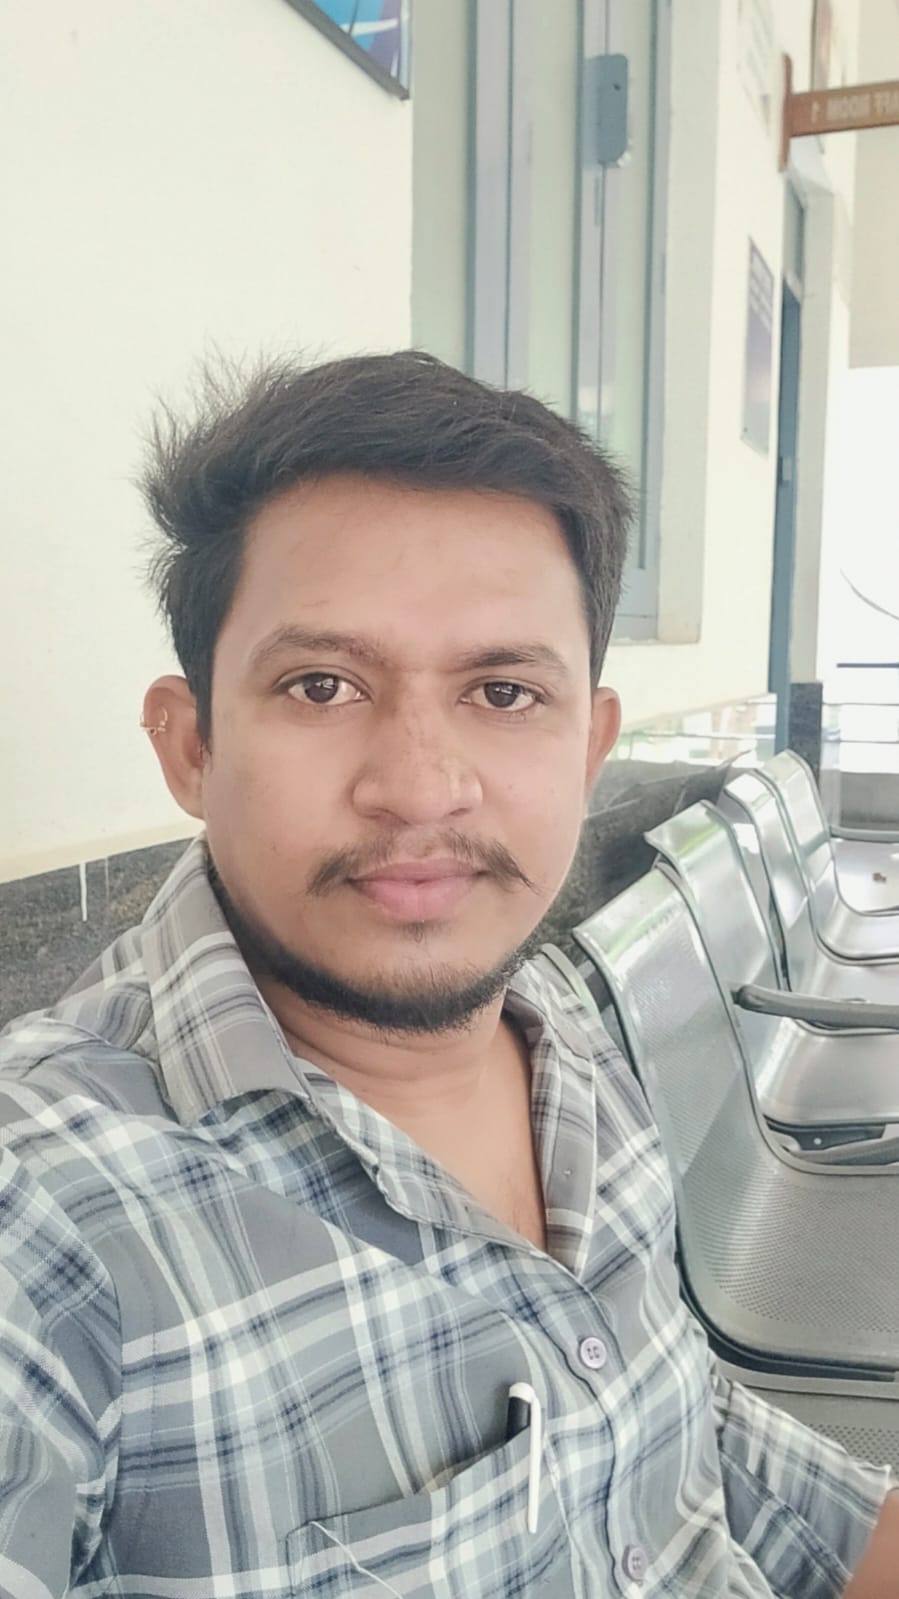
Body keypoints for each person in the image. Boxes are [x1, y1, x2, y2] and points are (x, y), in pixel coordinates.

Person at [0, 351, 895, 1598]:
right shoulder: (49, 1221)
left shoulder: (556, 1021)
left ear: (588, 747)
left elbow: (661, 1415)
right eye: (322, 685)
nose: (419, 787)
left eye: (503, 691)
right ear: (192, 745)